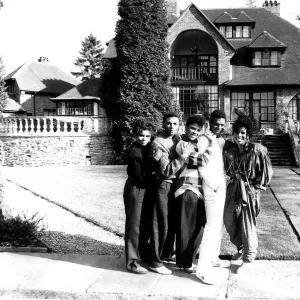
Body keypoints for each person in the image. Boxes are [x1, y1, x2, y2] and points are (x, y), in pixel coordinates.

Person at [223, 116, 273, 274]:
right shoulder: (230, 149)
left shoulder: (257, 149)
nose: (240, 136)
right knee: (228, 218)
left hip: (249, 189)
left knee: (247, 223)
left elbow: (267, 170)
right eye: (237, 132)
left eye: (243, 133)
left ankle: (249, 259)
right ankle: (241, 247)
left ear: (248, 134)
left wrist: (257, 186)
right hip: (233, 186)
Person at [148, 112, 187, 275]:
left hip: (176, 186)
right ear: (163, 124)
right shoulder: (158, 142)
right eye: (169, 123)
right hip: (163, 184)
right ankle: (155, 262)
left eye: (175, 123)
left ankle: (165, 253)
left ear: (179, 125)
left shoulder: (178, 139)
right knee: (160, 222)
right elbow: (165, 170)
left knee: (172, 222)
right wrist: (182, 157)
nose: (172, 126)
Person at [195, 110, 230, 285]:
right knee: (211, 226)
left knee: (219, 224)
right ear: (210, 123)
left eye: (222, 124)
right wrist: (214, 185)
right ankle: (202, 270)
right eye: (217, 124)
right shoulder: (204, 138)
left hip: (221, 186)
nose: (220, 127)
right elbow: (199, 165)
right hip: (212, 188)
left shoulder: (217, 139)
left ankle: (214, 257)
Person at [174, 114, 210, 273]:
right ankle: (184, 262)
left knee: (199, 226)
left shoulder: (201, 143)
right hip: (187, 188)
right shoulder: (182, 143)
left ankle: (187, 259)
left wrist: (198, 154)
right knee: (186, 226)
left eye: (197, 129)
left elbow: (207, 159)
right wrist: (199, 155)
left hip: (200, 190)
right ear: (186, 127)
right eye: (191, 128)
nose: (194, 132)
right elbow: (203, 161)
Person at [123, 120, 154, 274]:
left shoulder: (148, 148)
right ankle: (132, 262)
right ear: (136, 136)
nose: (143, 138)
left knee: (146, 223)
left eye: (147, 136)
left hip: (146, 188)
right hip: (136, 187)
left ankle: (144, 253)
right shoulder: (135, 151)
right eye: (141, 135)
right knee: (134, 225)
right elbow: (138, 176)